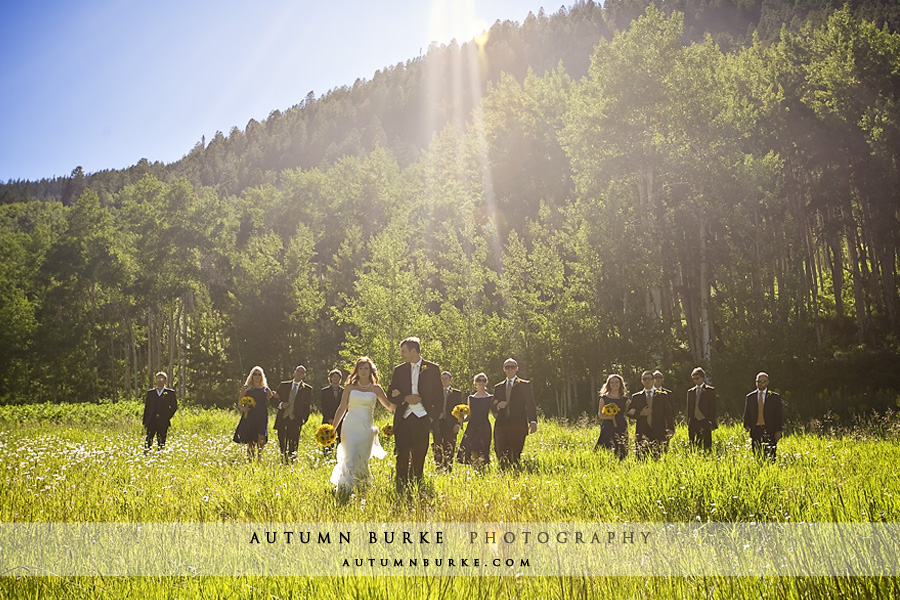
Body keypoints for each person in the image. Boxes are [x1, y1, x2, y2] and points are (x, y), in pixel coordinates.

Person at [330, 357, 392, 492]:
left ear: (370, 371)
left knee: (362, 459)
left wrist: (402, 397)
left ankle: (361, 486)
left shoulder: (376, 389)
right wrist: (333, 428)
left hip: (366, 428)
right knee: (350, 455)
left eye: (366, 368)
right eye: (361, 368)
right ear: (356, 370)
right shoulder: (349, 387)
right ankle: (346, 487)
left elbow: (390, 406)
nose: (363, 371)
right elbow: (342, 408)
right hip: (350, 426)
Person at [388, 337, 442, 488]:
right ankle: (401, 483)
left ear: (413, 351)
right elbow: (390, 392)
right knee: (402, 454)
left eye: (404, 351)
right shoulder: (399, 370)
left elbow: (439, 397)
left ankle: (417, 482)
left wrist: (431, 417)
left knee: (419, 454)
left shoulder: (432, 369)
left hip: (423, 417)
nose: (402, 355)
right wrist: (405, 397)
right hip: (403, 418)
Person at [491, 358, 537, 469]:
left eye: (512, 367)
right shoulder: (498, 387)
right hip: (501, 425)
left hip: (518, 425)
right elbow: (492, 405)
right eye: (507, 367)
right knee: (501, 453)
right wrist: (498, 406)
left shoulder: (524, 385)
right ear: (504, 369)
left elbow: (530, 404)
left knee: (515, 455)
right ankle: (502, 476)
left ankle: (515, 475)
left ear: (517, 369)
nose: (509, 369)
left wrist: (533, 421)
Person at [627, 370, 674, 459]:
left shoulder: (663, 396)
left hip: (659, 431)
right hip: (642, 432)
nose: (647, 381)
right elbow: (630, 413)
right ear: (642, 381)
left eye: (649, 378)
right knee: (641, 459)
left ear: (653, 380)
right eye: (645, 379)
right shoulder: (636, 397)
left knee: (660, 459)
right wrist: (640, 413)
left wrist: (671, 429)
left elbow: (669, 414)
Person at [272, 365, 312, 463]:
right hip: (283, 417)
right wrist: (281, 405)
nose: (299, 373)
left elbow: (307, 407)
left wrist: (303, 420)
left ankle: (292, 460)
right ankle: (283, 459)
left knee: (294, 441)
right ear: (294, 372)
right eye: (298, 371)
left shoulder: (307, 389)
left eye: (302, 372)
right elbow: (274, 399)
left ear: (304, 375)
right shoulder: (283, 385)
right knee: (282, 439)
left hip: (296, 419)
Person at [233, 366, 272, 461]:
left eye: (259, 374)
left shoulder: (265, 388)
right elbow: (239, 403)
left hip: (262, 414)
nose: (257, 376)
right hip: (250, 414)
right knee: (250, 438)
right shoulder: (246, 388)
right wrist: (243, 409)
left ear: (262, 376)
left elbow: (270, 399)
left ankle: (259, 457)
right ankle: (250, 458)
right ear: (252, 375)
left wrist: (271, 394)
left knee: (261, 435)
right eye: (255, 374)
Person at [743, 372, 782, 462]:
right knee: (757, 455)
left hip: (770, 430)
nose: (760, 383)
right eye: (758, 381)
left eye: (763, 381)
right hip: (756, 430)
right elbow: (747, 413)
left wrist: (778, 430)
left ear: (767, 382)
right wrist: (747, 425)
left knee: (771, 456)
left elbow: (778, 416)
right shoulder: (750, 397)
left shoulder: (774, 397)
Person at [457, 372, 493, 468]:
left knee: (481, 447)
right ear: (475, 383)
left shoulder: (490, 398)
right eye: (478, 380)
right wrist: (461, 419)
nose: (481, 382)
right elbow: (469, 415)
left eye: (483, 380)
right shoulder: (471, 398)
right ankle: (475, 466)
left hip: (484, 426)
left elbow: (495, 413)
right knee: (469, 446)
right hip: (472, 426)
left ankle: (480, 466)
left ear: (486, 382)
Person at [593, 374, 629, 459]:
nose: (614, 384)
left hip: (621, 425)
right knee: (604, 447)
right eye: (612, 382)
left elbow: (630, 411)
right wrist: (609, 417)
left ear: (620, 384)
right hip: (608, 426)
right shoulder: (604, 398)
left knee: (621, 448)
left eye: (616, 382)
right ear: (608, 384)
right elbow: (600, 415)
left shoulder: (625, 399)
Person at [433, 371, 463, 473]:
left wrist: (458, 424)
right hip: (438, 425)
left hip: (451, 425)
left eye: (446, 378)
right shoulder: (435, 393)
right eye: (442, 378)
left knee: (450, 447)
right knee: (437, 447)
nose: (444, 380)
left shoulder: (456, 393)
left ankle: (448, 469)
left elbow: (461, 410)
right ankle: (438, 468)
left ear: (450, 380)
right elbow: (431, 408)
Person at [143, 371, 177, 450]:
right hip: (151, 421)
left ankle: (160, 457)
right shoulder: (150, 393)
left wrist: (166, 417)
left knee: (161, 442)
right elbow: (147, 408)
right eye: (158, 379)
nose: (159, 381)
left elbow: (174, 407)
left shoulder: (170, 393)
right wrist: (145, 422)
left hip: (163, 422)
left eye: (161, 379)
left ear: (165, 381)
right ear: (155, 380)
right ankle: (146, 456)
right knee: (148, 442)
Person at [687, 367, 717, 451]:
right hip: (693, 421)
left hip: (705, 420)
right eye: (693, 379)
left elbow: (713, 407)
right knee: (694, 444)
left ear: (703, 378)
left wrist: (710, 420)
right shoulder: (691, 392)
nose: (695, 380)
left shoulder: (709, 391)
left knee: (707, 444)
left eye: (697, 378)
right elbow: (689, 409)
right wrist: (689, 421)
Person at [320, 369, 344, 454]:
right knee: (327, 440)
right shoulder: (324, 391)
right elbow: (323, 407)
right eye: (333, 377)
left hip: (341, 420)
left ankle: (340, 456)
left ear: (340, 379)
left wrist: (339, 418)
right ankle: (327, 456)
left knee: (341, 441)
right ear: (330, 378)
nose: (335, 379)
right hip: (328, 420)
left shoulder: (344, 391)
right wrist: (329, 418)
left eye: (337, 377)